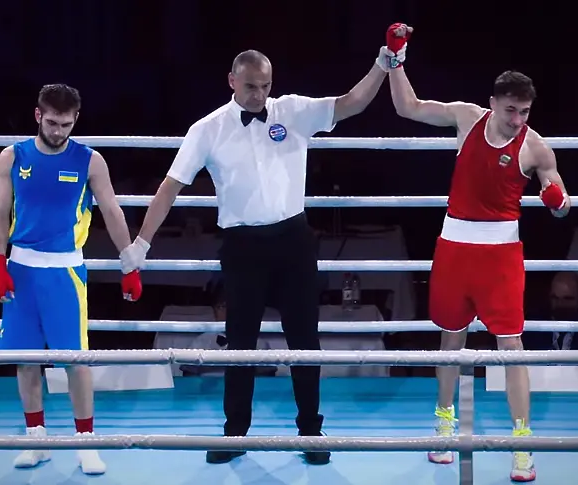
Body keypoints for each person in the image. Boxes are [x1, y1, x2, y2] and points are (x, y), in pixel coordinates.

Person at [120, 48, 396, 465]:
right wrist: (141, 243)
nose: (259, 94)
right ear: (232, 80)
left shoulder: (293, 111)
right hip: (242, 245)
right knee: (241, 343)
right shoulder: (207, 129)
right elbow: (170, 186)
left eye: (266, 86)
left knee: (305, 341)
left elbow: (350, 103)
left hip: (293, 240)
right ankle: (234, 433)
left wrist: (381, 65)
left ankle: (311, 431)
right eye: (251, 86)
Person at [384, 23, 570, 482]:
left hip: (500, 257)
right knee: (451, 338)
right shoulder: (467, 118)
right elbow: (408, 107)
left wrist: (555, 199)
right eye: (511, 110)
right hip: (454, 249)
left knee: (512, 346)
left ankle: (521, 443)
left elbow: (562, 202)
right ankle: (444, 425)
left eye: (524, 111)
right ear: (493, 102)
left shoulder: (535, 146)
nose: (518, 120)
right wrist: (395, 58)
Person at [0, 83, 142, 475]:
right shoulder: (12, 156)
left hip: (66, 272)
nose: (58, 131)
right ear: (38, 116)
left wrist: (129, 265)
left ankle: (85, 442)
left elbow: (113, 212)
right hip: (21, 269)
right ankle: (36, 439)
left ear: (76, 120)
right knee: (26, 360)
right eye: (52, 123)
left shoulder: (90, 161)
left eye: (66, 125)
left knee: (76, 360)